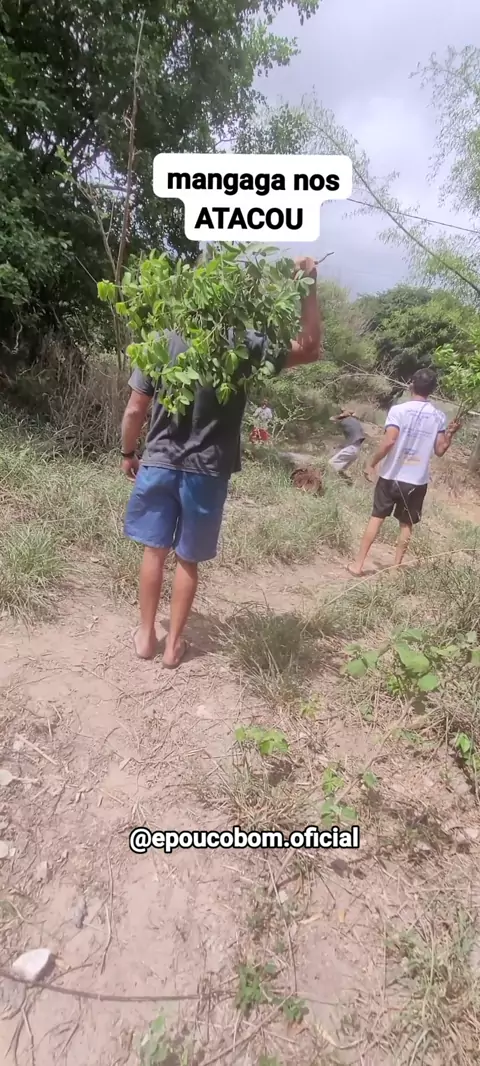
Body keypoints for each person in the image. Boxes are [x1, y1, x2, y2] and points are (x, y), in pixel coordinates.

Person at [120, 256, 322, 667]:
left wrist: (128, 452)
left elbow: (135, 409)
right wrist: (309, 286)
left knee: (154, 551)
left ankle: (146, 637)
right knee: (187, 558)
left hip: (158, 462)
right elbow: (310, 349)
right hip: (209, 471)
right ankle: (174, 646)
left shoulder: (161, 338)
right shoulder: (246, 344)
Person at [348, 368, 461, 576]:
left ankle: (358, 565)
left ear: (411, 385)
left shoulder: (398, 410)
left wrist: (372, 462)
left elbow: (389, 441)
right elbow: (440, 450)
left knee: (376, 517)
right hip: (416, 480)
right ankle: (395, 569)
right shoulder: (438, 416)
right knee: (406, 524)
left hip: (391, 476)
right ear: (432, 390)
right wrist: (450, 435)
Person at [328, 409, 366, 479]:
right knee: (340, 471)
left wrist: (340, 416)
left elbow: (331, 419)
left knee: (329, 466)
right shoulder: (355, 421)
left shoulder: (345, 421)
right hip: (356, 450)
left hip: (351, 449)